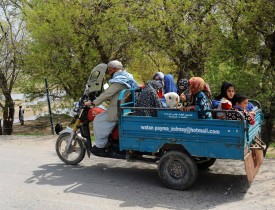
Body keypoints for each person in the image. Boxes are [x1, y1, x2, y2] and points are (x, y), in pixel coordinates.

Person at [86, 60, 139, 154]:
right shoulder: (126, 77)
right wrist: (109, 98)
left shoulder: (119, 81)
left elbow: (107, 93)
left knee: (98, 120)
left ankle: (100, 147)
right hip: (123, 107)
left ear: (116, 69)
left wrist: (93, 103)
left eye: (110, 71)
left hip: (116, 109)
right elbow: (115, 93)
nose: (109, 72)